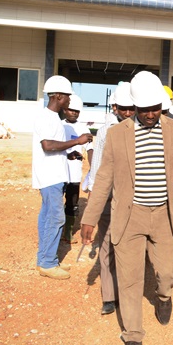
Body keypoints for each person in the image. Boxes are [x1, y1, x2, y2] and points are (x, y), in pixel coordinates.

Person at [81, 71, 173, 345]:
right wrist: (90, 218)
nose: (150, 114)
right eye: (144, 110)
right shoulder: (116, 134)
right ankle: (133, 334)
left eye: (155, 109)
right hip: (129, 217)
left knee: (167, 272)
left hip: (164, 216)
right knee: (130, 278)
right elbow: (104, 178)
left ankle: (164, 297)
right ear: (134, 107)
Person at [33, 75, 93, 280]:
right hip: (50, 177)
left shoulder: (52, 119)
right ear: (58, 96)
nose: (69, 100)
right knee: (55, 218)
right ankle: (48, 263)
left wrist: (67, 154)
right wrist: (78, 141)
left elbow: (52, 147)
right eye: (67, 96)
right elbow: (47, 146)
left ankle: (45, 259)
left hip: (54, 175)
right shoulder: (46, 117)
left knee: (47, 217)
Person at [86, 82, 135, 316]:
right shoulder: (106, 131)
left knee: (127, 248)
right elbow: (97, 167)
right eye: (123, 108)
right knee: (106, 246)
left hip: (134, 200)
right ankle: (109, 296)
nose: (127, 113)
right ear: (115, 107)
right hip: (108, 198)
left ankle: (127, 293)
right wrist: (95, 196)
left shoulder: (143, 130)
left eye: (131, 108)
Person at [61, 94, 94, 244]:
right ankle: (57, 230)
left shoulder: (83, 128)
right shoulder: (59, 125)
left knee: (72, 203)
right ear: (65, 109)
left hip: (74, 174)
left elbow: (90, 148)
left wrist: (93, 167)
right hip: (59, 172)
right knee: (56, 202)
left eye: (77, 111)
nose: (74, 113)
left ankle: (68, 232)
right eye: (71, 110)